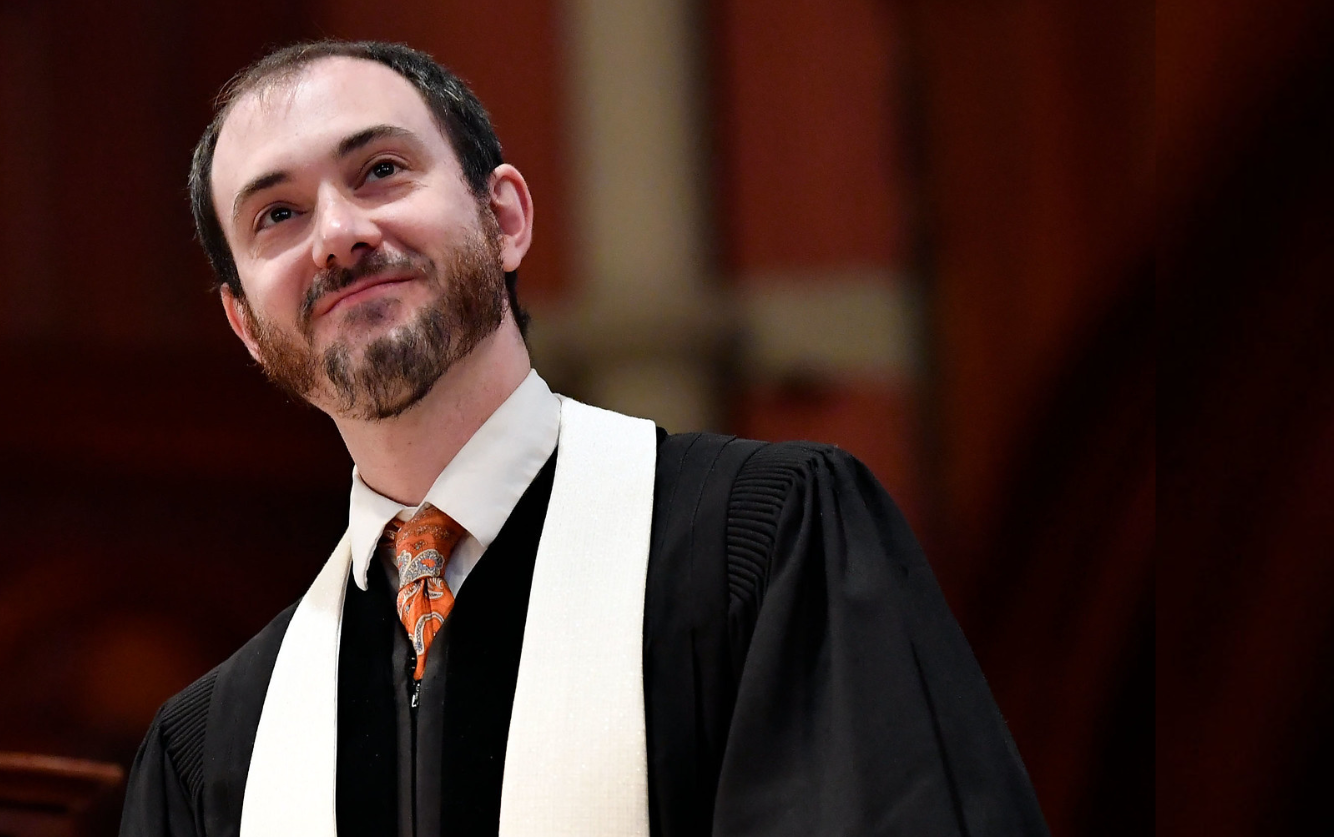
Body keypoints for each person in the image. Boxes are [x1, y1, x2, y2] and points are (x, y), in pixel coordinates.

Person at [120, 40, 1047, 837]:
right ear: (245, 327)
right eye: (276, 215)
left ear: (505, 217)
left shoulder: (763, 544)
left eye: (381, 171)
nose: (338, 234)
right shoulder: (215, 752)